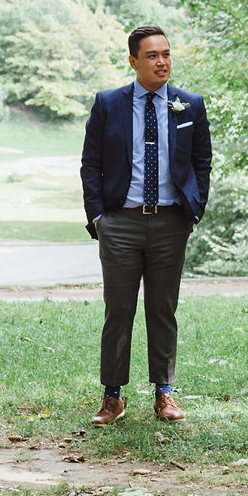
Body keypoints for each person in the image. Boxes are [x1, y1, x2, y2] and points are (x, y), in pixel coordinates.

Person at [79, 25, 213, 425]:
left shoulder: (189, 105)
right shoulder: (108, 104)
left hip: (171, 222)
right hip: (120, 222)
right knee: (118, 311)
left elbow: (202, 162)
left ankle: (164, 393)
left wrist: (194, 209)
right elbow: (91, 164)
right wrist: (99, 216)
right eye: (152, 55)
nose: (162, 62)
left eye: (167, 54)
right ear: (134, 60)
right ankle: (112, 396)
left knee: (163, 309)